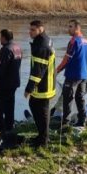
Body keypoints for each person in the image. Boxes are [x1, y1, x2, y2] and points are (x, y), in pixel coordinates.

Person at [24, 20, 56, 148]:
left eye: (33, 30)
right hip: (45, 83)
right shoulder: (44, 40)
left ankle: (43, 140)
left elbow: (38, 71)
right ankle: (41, 136)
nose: (30, 32)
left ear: (41, 29)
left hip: (44, 86)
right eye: (30, 29)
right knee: (34, 106)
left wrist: (29, 88)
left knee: (42, 113)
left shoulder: (42, 46)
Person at [56, 19, 87, 128]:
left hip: (72, 75)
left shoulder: (73, 41)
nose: (68, 29)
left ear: (77, 28)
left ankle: (65, 123)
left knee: (68, 98)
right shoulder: (86, 41)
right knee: (80, 98)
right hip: (83, 74)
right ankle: (82, 121)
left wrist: (57, 70)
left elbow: (67, 59)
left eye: (70, 27)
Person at [0, 29, 22, 132]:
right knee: (9, 105)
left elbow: (0, 68)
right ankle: (9, 126)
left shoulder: (6, 49)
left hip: (4, 84)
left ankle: (0, 126)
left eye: (0, 37)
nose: (0, 39)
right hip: (14, 83)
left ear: (4, 37)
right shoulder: (17, 47)